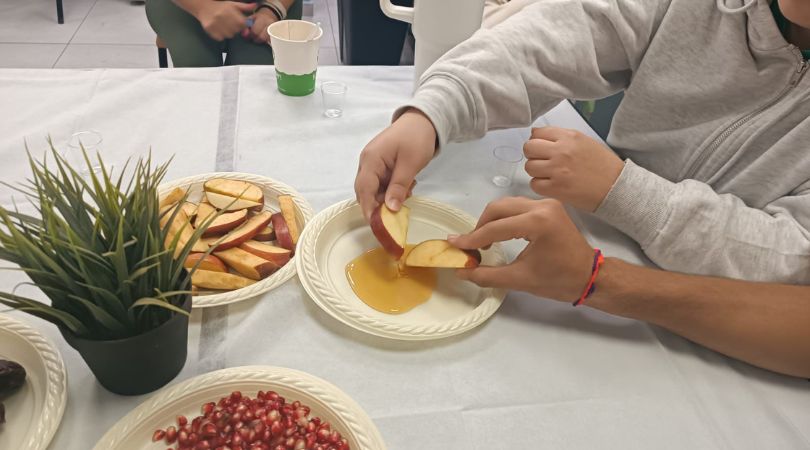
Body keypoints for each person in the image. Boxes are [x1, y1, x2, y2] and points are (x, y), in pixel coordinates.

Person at [354, 0, 810, 378]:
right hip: (587, 263)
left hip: (735, 349)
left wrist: (626, 193)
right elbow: (557, 37)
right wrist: (434, 110)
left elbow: (793, 258)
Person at [145, 0, 302, 67]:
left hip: (266, 4)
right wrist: (202, 7)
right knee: (198, 74)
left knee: (255, 79)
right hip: (182, 5)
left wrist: (273, 9)